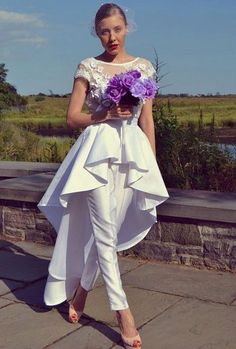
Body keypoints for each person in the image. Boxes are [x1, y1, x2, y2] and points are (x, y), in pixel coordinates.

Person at [37, 3, 169, 348]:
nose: (111, 37)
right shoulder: (88, 67)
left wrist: (152, 164)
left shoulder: (143, 68)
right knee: (105, 233)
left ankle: (81, 292)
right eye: (104, 31)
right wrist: (104, 112)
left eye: (117, 29)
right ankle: (122, 311)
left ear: (127, 29)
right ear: (98, 33)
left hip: (132, 155)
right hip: (96, 155)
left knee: (105, 231)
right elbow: (72, 118)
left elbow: (147, 121)